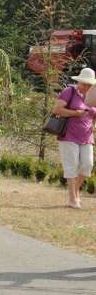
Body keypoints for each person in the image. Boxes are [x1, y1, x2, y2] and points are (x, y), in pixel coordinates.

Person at [52, 67, 96, 209]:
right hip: (69, 135)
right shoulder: (69, 92)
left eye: (90, 85)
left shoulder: (93, 96)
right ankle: (72, 198)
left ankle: (75, 190)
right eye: (85, 84)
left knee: (87, 165)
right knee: (71, 166)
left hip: (87, 136)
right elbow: (57, 110)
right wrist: (76, 113)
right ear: (80, 82)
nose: (87, 87)